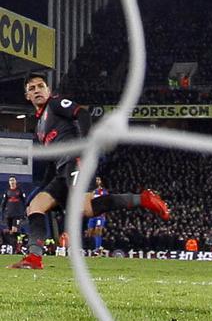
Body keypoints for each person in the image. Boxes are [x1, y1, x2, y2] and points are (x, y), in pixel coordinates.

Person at [10, 72, 169, 270]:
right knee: (36, 206)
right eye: (32, 89)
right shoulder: (40, 126)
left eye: (41, 86)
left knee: (83, 209)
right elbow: (53, 159)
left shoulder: (56, 104)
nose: (37, 91)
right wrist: (45, 185)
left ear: (48, 90)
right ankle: (34, 258)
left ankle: (143, 199)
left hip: (76, 160)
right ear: (27, 96)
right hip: (61, 170)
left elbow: (82, 113)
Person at [85, 176, 109, 254]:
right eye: (96, 180)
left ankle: (98, 248)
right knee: (89, 231)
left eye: (99, 179)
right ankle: (93, 248)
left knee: (98, 231)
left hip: (100, 215)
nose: (97, 181)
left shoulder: (104, 192)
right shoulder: (92, 192)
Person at [4, 176, 24, 247]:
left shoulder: (19, 191)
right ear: (9, 182)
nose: (12, 182)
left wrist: (25, 211)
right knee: (10, 231)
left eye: (13, 180)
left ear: (16, 181)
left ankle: (15, 246)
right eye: (10, 180)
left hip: (16, 214)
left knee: (14, 229)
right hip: (8, 214)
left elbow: (24, 201)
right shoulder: (7, 191)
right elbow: (4, 202)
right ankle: (10, 246)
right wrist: (2, 210)